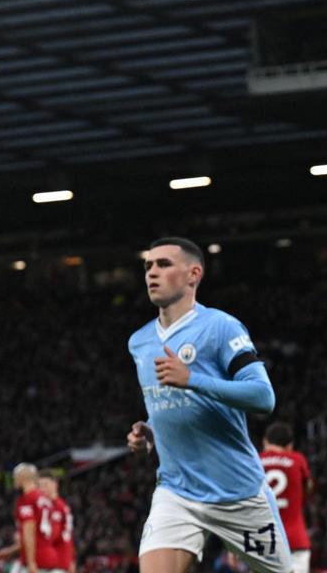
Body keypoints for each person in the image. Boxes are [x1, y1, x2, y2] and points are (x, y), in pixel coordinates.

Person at [127, 237, 292, 573]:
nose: (151, 273)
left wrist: (192, 380)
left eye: (163, 264)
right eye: (147, 266)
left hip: (239, 494)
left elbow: (263, 397)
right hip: (177, 492)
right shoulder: (139, 341)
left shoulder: (220, 326)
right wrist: (149, 430)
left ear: (193, 274)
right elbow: (165, 403)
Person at [259, 423, 314, 573]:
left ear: (265, 441)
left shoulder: (256, 461)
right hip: (295, 540)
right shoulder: (297, 459)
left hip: (264, 540)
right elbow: (309, 487)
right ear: (289, 445)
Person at [0, 463, 62, 573]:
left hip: (36, 560)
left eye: (15, 475)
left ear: (23, 477)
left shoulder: (27, 500)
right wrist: (11, 551)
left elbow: (29, 534)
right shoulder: (45, 500)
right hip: (49, 557)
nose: (14, 478)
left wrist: (31, 563)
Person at [37, 470, 76, 573]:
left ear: (55, 484)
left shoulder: (58, 507)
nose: (42, 488)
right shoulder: (48, 506)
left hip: (57, 563)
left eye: (45, 484)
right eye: (39, 485)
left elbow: (53, 536)